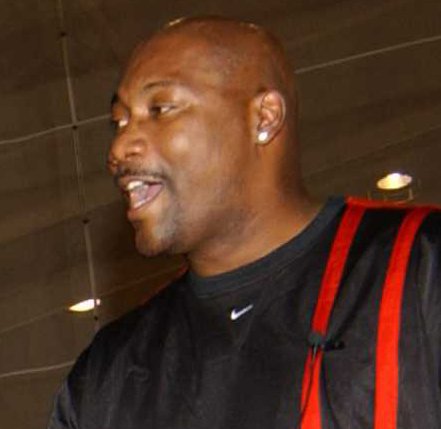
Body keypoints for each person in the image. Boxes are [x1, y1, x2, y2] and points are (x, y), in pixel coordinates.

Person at [48, 17, 441, 429]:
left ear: (264, 117)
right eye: (120, 121)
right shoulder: (109, 374)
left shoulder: (418, 269)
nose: (119, 147)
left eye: (160, 109)